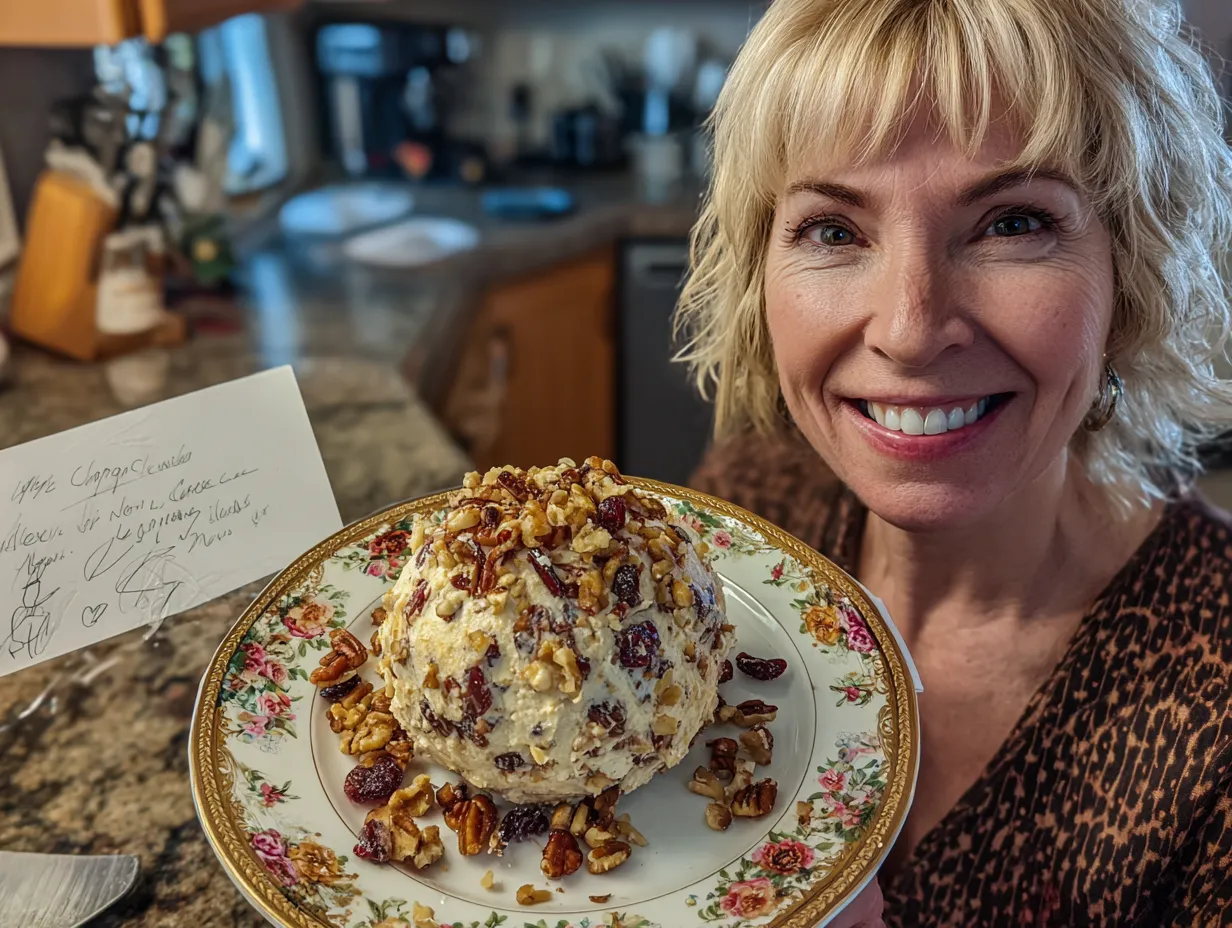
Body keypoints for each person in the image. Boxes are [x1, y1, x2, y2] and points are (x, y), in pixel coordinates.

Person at [675, 0, 1232, 924]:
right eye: (835, 230)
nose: (909, 330)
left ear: (1129, 273)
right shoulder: (746, 507)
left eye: (1012, 223)